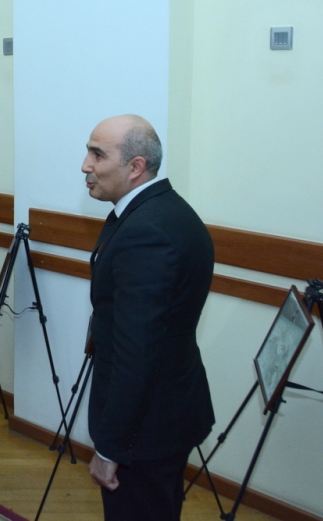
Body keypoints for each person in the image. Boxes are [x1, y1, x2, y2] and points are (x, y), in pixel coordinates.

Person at [82, 114, 215, 520]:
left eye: (97, 154)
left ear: (136, 167)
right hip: (165, 416)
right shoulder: (164, 211)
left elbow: (135, 353)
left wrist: (110, 449)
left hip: (145, 430)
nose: (85, 165)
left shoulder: (147, 233)